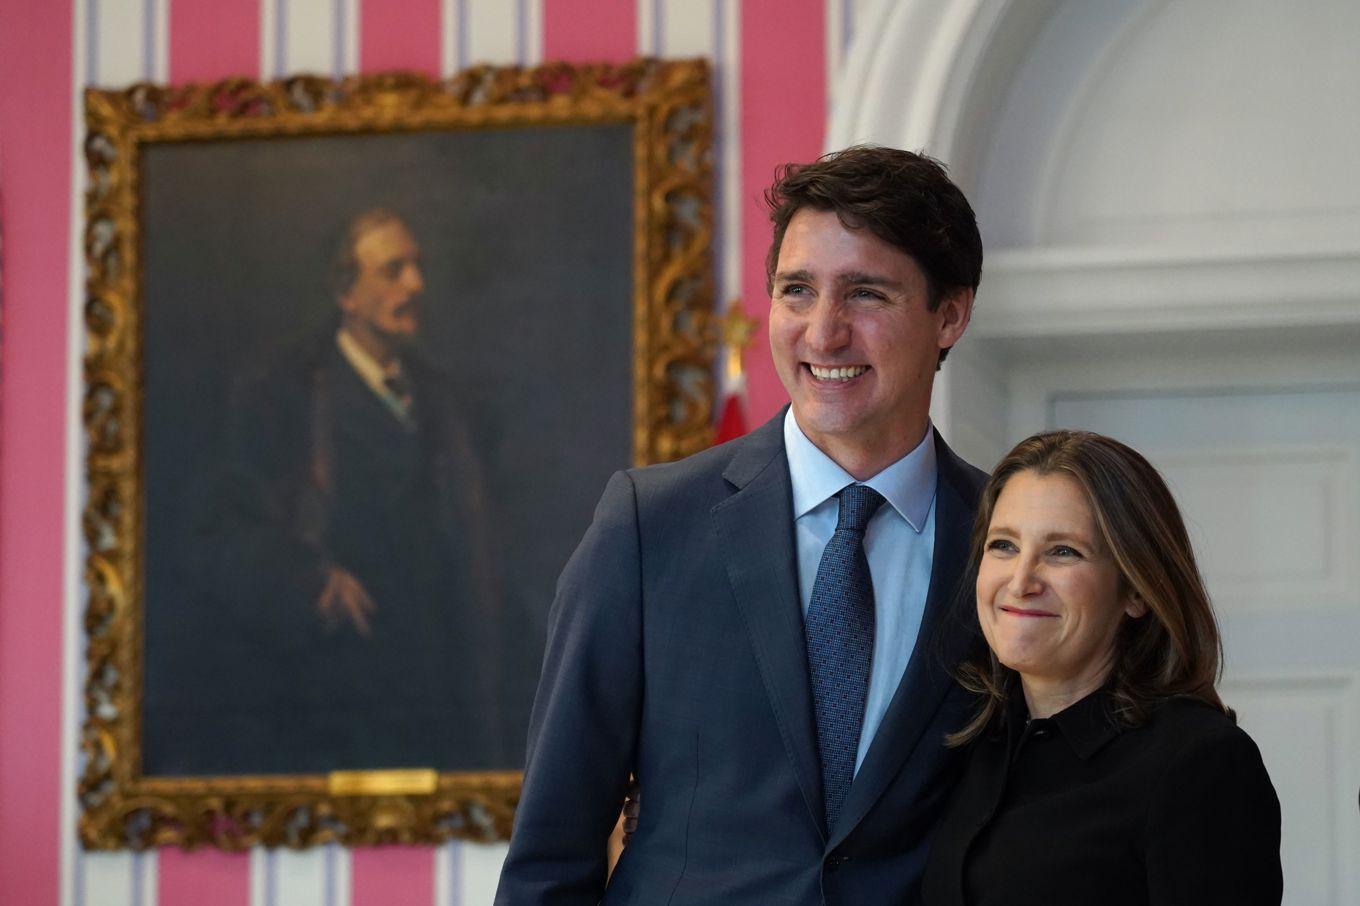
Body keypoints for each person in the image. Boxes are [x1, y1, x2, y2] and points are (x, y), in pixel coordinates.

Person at [496, 146, 987, 904]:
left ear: (949, 314)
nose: (823, 334)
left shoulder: (1000, 543)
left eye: (865, 294)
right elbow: (549, 858)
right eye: (797, 291)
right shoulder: (646, 527)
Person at [197, 208, 506, 773]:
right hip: (333, 684)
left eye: (416, 267)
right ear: (346, 293)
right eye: (393, 270)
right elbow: (228, 534)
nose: (416, 285)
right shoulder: (281, 393)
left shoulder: (445, 399)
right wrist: (307, 578)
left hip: (436, 681)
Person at [921, 431, 1282, 906]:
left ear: (1135, 590)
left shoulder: (1200, 762)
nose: (1021, 580)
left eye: (1063, 551)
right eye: (1004, 545)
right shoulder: (973, 742)